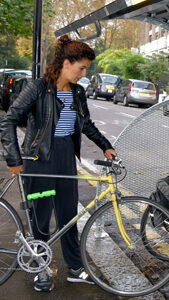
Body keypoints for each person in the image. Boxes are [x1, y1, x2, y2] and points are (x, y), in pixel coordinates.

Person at [0, 35, 117, 292]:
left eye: (86, 68)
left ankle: (74, 266)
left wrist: (105, 145)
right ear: (65, 63)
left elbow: (85, 124)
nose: (84, 74)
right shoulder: (38, 88)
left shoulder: (77, 92)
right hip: (39, 159)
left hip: (65, 156)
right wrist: (13, 158)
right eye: (81, 68)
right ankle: (41, 266)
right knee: (40, 218)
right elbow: (8, 120)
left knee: (68, 216)